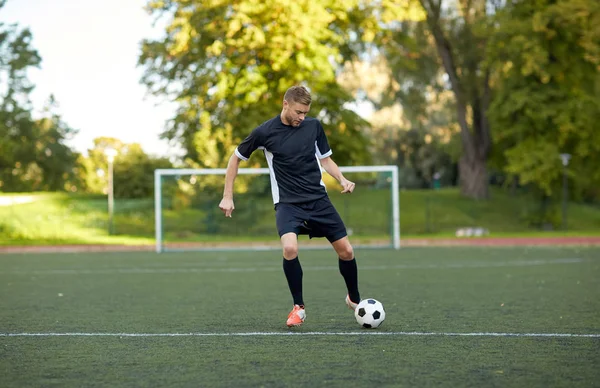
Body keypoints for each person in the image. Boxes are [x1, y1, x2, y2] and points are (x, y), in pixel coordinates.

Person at [218, 85, 361, 327]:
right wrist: (228, 195)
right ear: (285, 104)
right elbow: (236, 158)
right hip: (288, 204)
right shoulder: (265, 132)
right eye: (298, 112)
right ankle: (299, 308)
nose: (301, 117)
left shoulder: (313, 127)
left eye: (305, 113)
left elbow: (325, 159)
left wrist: (342, 179)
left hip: (318, 200)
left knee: (346, 251)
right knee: (290, 248)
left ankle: (354, 299)